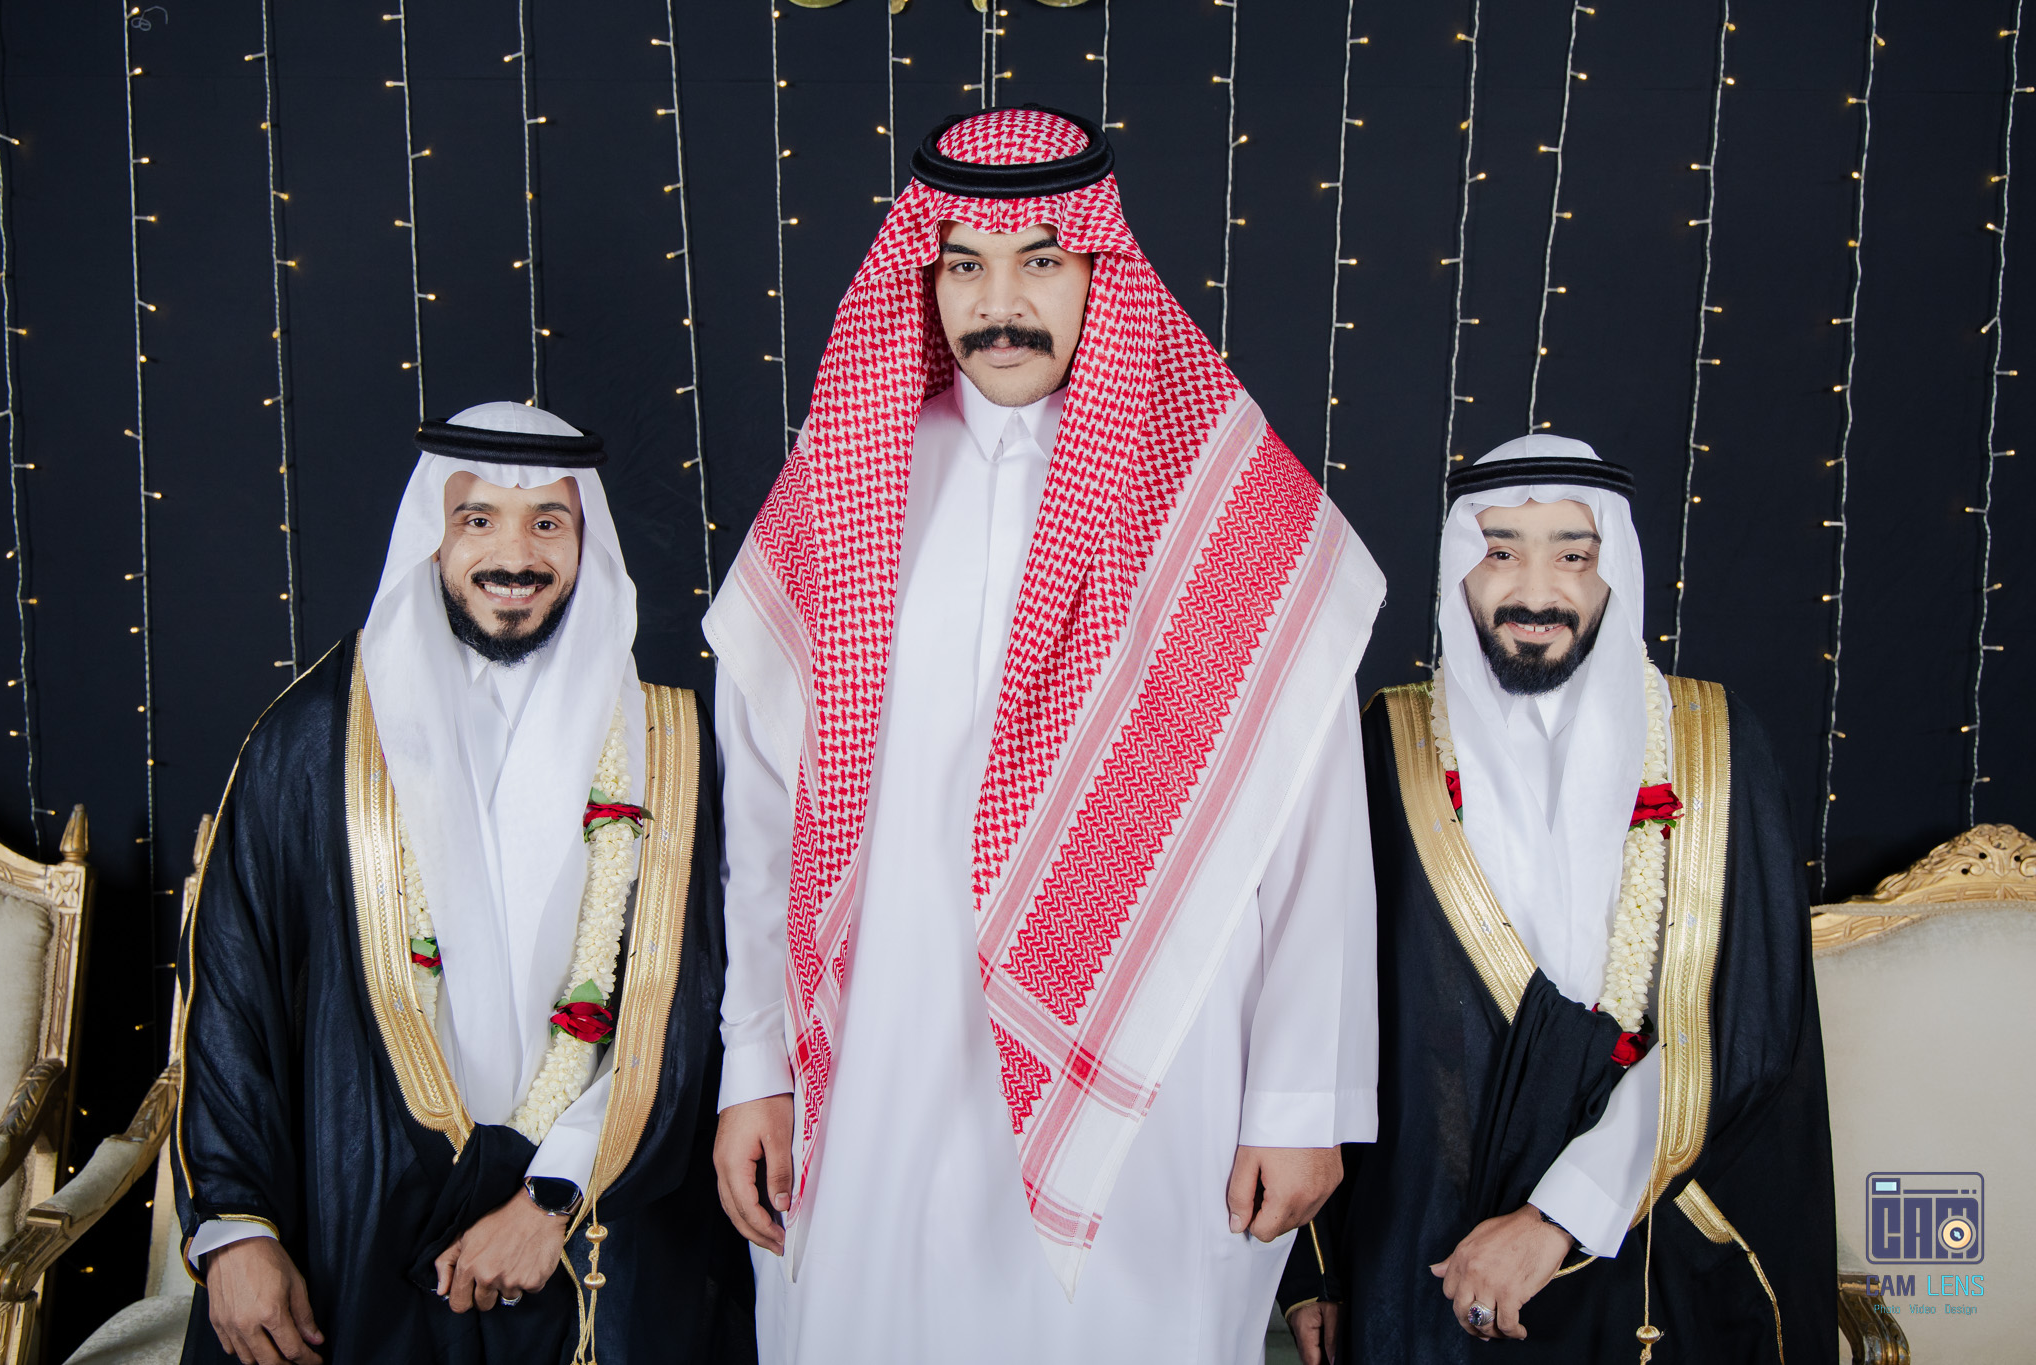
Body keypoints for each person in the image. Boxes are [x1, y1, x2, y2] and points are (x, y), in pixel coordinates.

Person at [702, 106, 1388, 1363]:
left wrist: (1300, 1097)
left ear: (1097, 274)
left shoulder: (1222, 497)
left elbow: (1309, 827)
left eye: (1039, 262)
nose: (998, 304)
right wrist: (754, 1065)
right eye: (963, 264)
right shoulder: (846, 481)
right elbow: (762, 817)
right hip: (883, 1046)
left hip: (1150, 1059)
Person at [173, 403, 749, 1364]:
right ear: (432, 536)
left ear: (586, 540)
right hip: (360, 1229)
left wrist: (552, 1195)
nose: (514, 555)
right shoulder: (312, 740)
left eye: (547, 522)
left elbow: (688, 1008)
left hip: (589, 1236)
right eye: (478, 519)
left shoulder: (670, 746)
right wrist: (235, 1227)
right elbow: (235, 993)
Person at [1278, 435, 1835, 1363]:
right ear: (1461, 567)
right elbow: (1318, 997)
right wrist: (1318, 1268)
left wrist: (1559, 1216)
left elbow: (1748, 1025)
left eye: (1573, 555)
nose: (1535, 591)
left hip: (1652, 1235)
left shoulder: (1715, 742)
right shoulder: (1390, 743)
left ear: (1613, 570)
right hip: (1428, 1247)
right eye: (1501, 551)